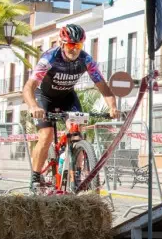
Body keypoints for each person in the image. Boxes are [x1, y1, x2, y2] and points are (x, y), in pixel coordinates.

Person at [22, 23, 118, 193]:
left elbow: (102, 86)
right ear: (62, 43)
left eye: (78, 45)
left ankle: (77, 174)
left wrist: (113, 107)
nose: (74, 49)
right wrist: (33, 106)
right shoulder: (49, 58)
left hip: (67, 97)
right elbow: (29, 86)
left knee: (76, 132)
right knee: (46, 135)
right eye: (71, 45)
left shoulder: (86, 60)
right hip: (44, 97)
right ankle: (35, 177)